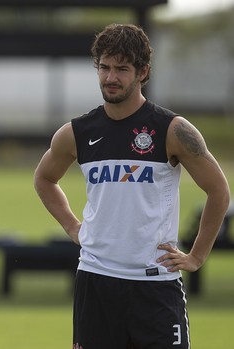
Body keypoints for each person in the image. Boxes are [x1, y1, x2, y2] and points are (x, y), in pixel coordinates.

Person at [33, 23, 230, 349]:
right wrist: (72, 226)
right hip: (96, 281)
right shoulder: (77, 132)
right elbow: (44, 178)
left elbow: (219, 190)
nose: (111, 78)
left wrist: (197, 256)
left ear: (143, 72)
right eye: (105, 68)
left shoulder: (172, 130)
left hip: (155, 286)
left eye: (122, 69)